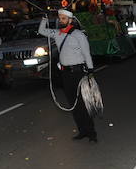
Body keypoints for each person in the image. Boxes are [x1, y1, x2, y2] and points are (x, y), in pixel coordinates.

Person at [38, 9, 97, 142]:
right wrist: (44, 19)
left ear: (70, 20)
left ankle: (91, 132)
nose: (61, 20)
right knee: (73, 104)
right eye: (60, 18)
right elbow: (42, 31)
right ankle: (82, 131)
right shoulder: (57, 33)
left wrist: (91, 70)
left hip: (78, 72)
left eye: (64, 18)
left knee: (83, 103)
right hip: (65, 73)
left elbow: (86, 53)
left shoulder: (78, 34)